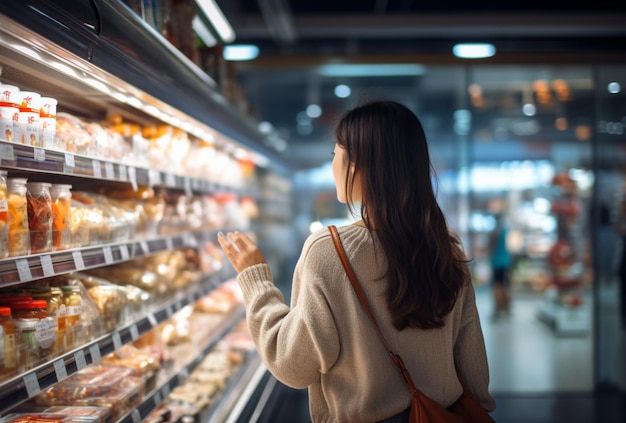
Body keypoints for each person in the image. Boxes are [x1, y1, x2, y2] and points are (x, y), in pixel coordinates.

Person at [217, 100, 496, 422]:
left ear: (357, 163)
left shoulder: (329, 250)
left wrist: (256, 280)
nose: (333, 162)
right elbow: (474, 374)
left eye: (335, 152)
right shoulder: (446, 249)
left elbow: (293, 365)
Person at [490, 213, 513, 318]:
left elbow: (491, 247)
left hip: (497, 263)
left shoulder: (495, 232)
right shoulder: (507, 231)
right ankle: (507, 308)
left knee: (497, 286)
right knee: (506, 286)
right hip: (507, 262)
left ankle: (498, 308)